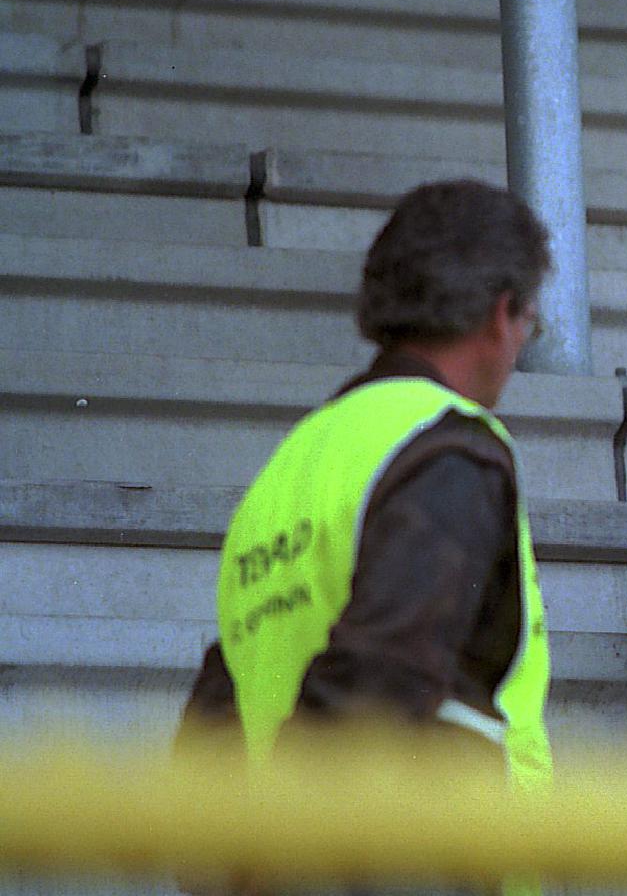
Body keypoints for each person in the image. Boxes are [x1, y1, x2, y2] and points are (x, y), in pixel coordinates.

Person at [176, 179, 555, 892]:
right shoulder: (449, 450)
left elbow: (219, 702)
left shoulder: (291, 463)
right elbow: (380, 674)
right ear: (502, 314)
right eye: (531, 316)